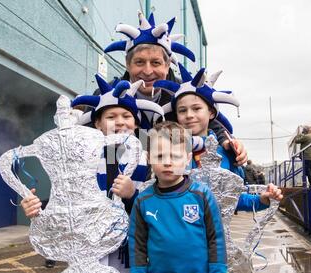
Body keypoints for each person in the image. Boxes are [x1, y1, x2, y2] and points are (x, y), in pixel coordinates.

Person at [20, 75, 165, 272]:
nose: (119, 122)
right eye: (111, 117)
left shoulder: (149, 160)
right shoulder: (84, 159)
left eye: (126, 116)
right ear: (97, 124)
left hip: (135, 248)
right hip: (91, 246)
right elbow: (67, 200)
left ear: (137, 123)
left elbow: (160, 207)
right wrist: (37, 210)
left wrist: (132, 194)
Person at [103, 11, 248, 166]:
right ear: (128, 65)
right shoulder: (106, 96)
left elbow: (208, 121)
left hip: (172, 179)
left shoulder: (183, 93)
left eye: (156, 63)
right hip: (117, 173)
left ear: (167, 65)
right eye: (139, 62)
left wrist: (227, 141)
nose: (147, 71)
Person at [153, 64, 283, 210]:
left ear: (211, 113)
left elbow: (232, 199)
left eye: (196, 108)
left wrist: (262, 200)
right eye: (182, 110)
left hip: (214, 231)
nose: (189, 115)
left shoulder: (226, 154)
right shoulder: (169, 151)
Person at [128, 121, 227, 273]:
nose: (167, 162)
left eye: (175, 156)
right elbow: (137, 250)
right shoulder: (142, 201)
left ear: (188, 158)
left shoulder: (202, 195)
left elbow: (217, 242)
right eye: (160, 156)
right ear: (149, 158)